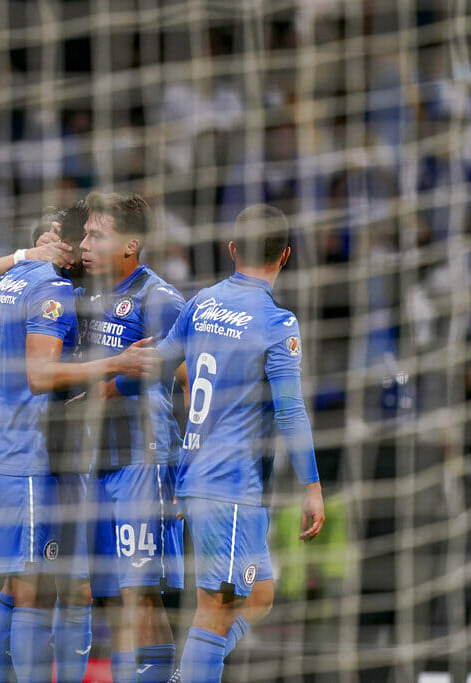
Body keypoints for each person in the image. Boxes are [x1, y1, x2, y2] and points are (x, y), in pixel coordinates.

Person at [0, 208, 159, 683]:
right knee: (31, 592)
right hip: (19, 458)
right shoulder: (53, 290)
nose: (86, 250)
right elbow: (39, 376)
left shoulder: (10, 279)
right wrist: (114, 363)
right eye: (87, 240)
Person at [149, 203, 325, 682]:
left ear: (231, 249)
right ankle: (191, 674)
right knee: (217, 608)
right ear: (285, 256)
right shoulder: (277, 322)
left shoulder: (202, 301)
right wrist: (312, 487)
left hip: (203, 476)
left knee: (261, 595)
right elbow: (289, 410)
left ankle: (188, 672)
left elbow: (161, 365)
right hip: (229, 485)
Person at [75, 191, 187, 683]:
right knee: (112, 596)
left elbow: (187, 378)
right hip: (94, 462)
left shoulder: (159, 298)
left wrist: (185, 470)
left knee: (141, 591)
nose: (85, 243)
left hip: (142, 461)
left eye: (97, 235)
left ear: (131, 244)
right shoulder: (84, 293)